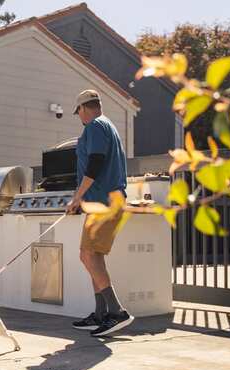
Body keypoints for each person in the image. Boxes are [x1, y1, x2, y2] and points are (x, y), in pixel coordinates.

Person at [66, 89, 134, 337]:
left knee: (88, 256)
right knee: (92, 256)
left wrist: (77, 196)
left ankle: (116, 312)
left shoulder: (95, 126)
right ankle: (100, 314)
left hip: (104, 202)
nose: (80, 117)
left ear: (83, 109)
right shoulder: (108, 126)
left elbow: (95, 163)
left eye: (79, 113)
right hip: (101, 202)